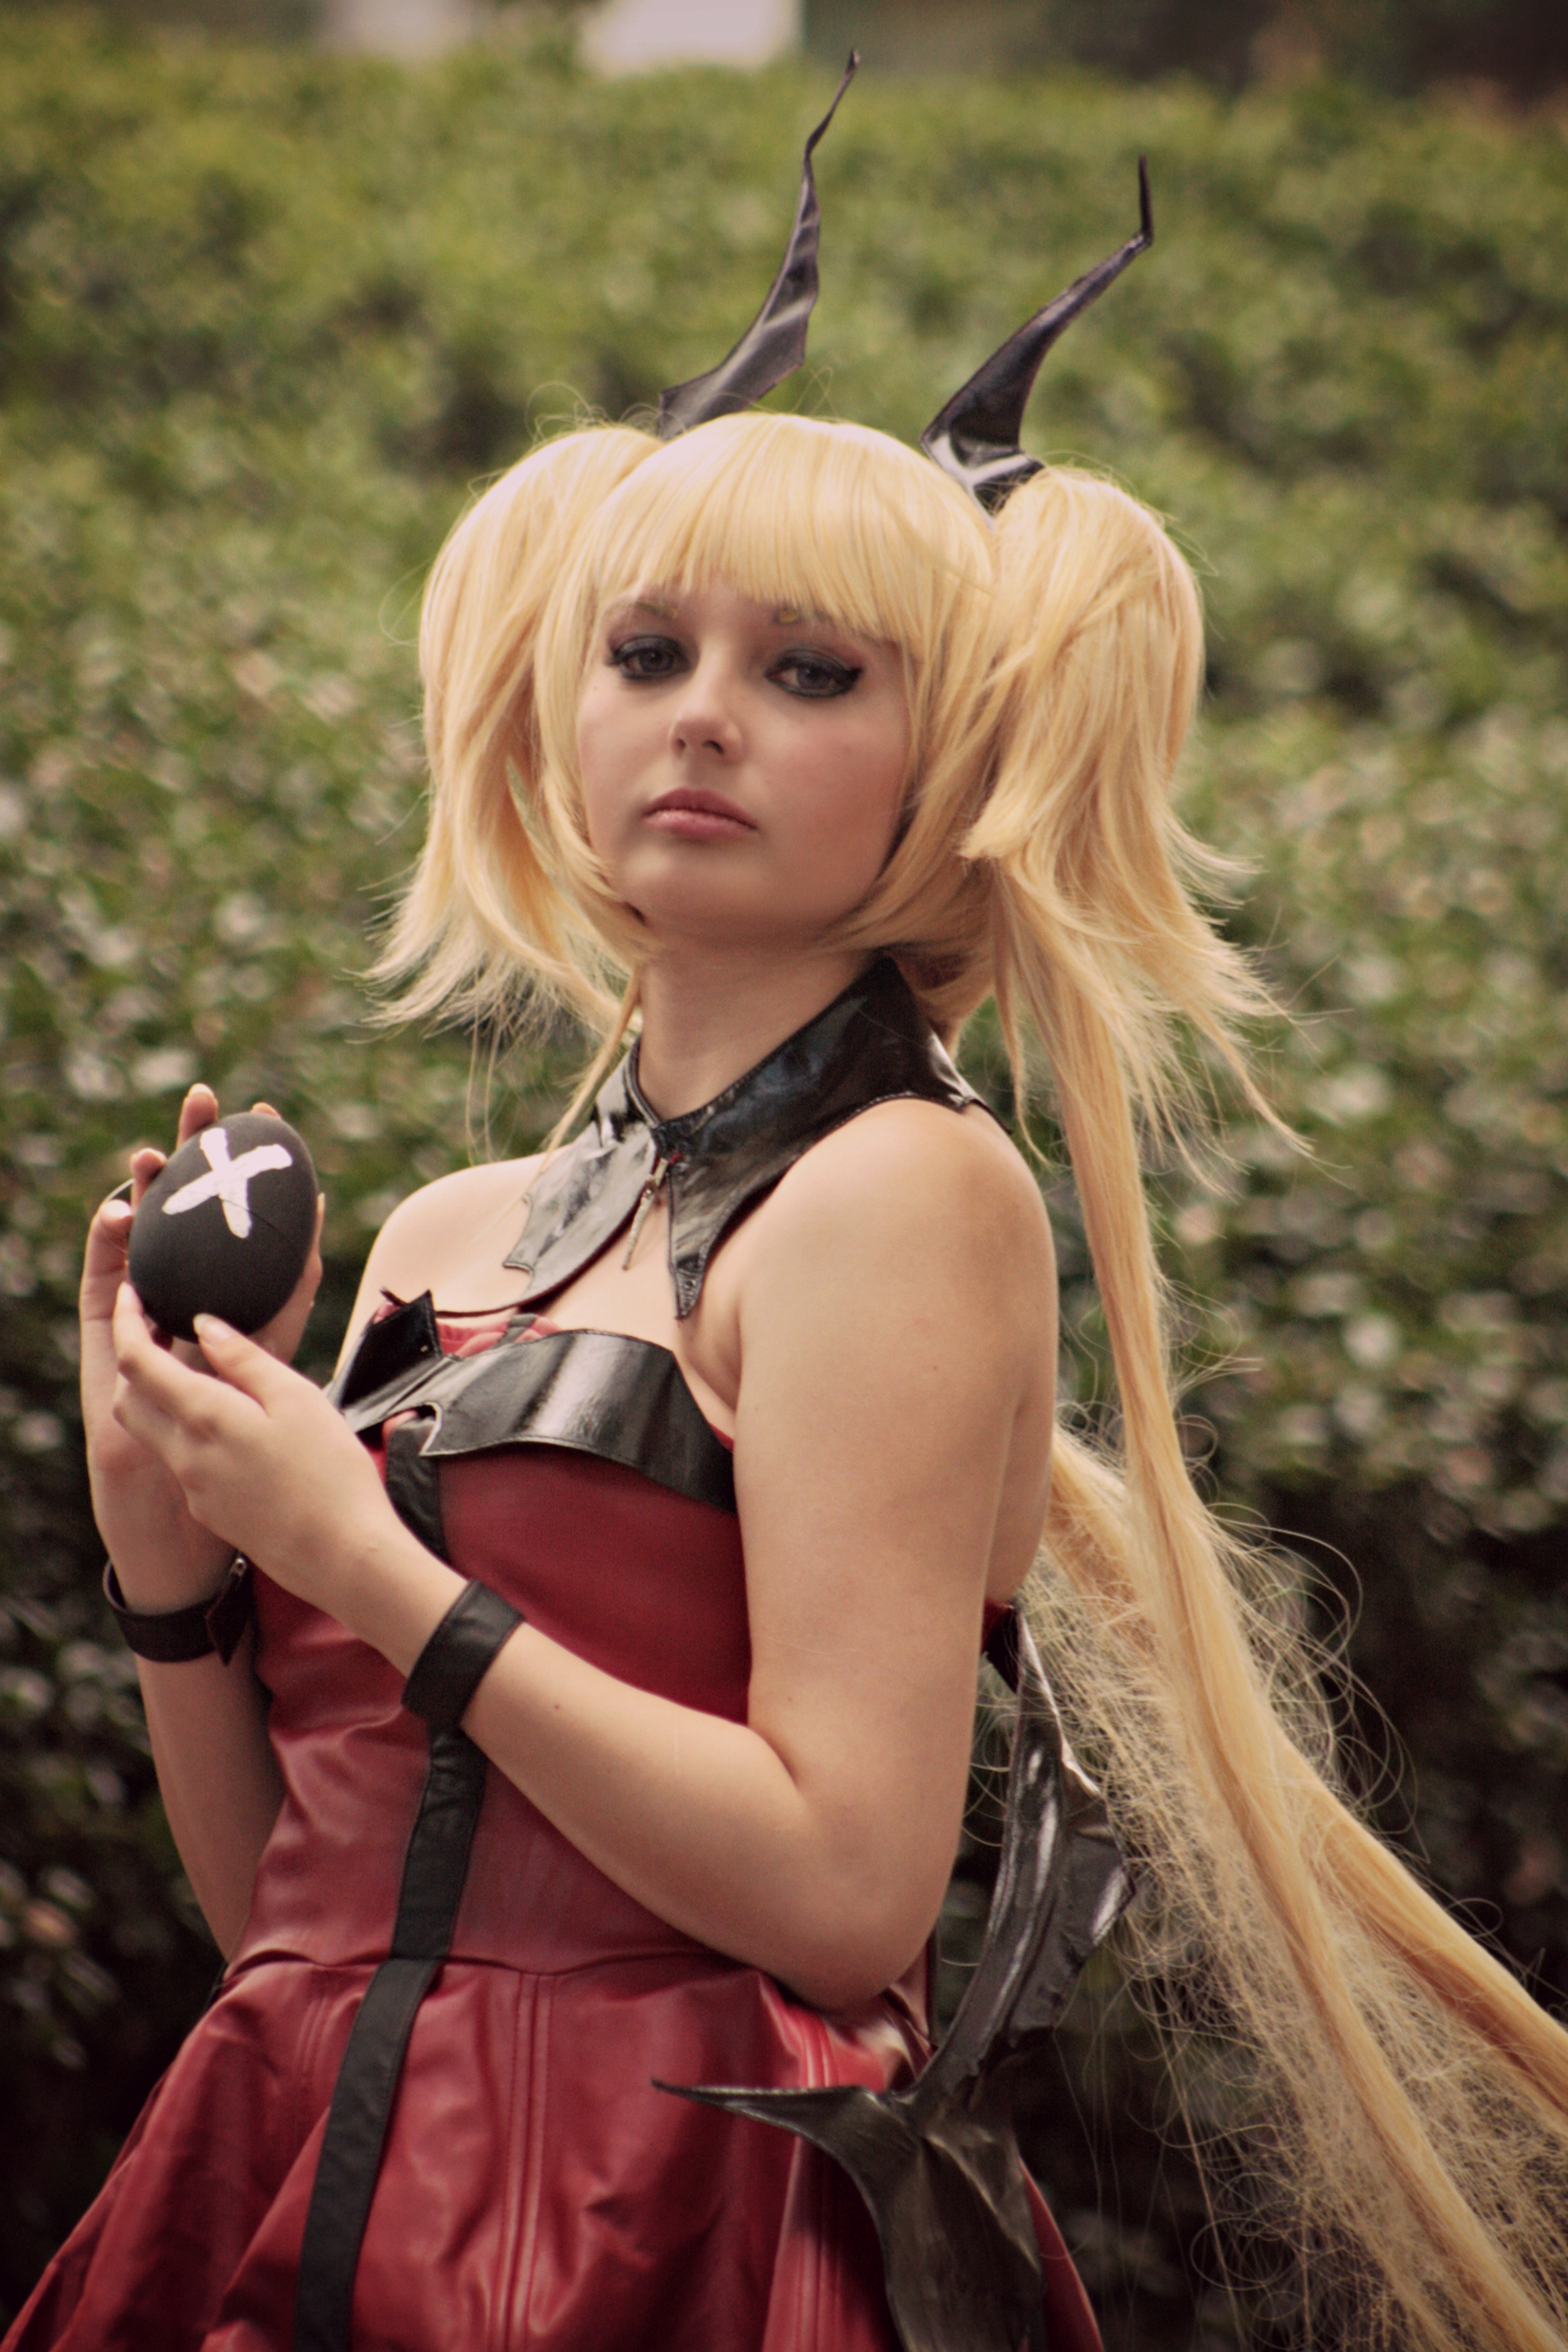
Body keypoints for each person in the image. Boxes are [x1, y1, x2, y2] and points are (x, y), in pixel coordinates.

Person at [10, 205, 1568, 2352]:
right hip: (295, 2175)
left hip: (670, 2227)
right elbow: (291, 1919)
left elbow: (842, 1893)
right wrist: (172, 1552)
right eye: (645, 652)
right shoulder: (452, 1233)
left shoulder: (904, 1193)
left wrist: (353, 1553)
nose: (702, 718)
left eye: (809, 670)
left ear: (954, 762)